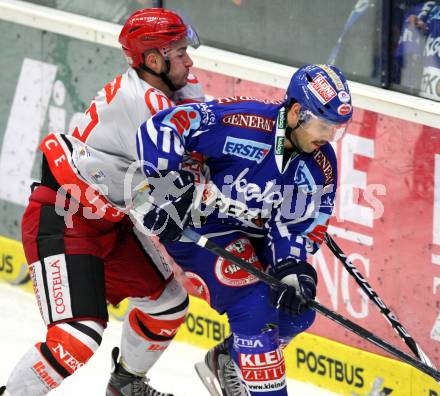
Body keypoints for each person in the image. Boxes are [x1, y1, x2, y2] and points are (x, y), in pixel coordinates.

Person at [0, 8, 204, 396]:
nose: (189, 60)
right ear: (153, 60)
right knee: (77, 335)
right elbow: (164, 197)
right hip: (64, 218)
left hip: (108, 218)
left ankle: (126, 385)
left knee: (168, 303)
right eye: (179, 52)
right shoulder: (144, 108)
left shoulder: (176, 89)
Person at [133, 64, 353, 395]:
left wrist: (293, 269)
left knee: (297, 312)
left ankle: (229, 360)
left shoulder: (320, 163)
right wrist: (165, 188)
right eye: (323, 125)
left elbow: (297, 224)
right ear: (295, 112)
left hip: (253, 233)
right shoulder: (242, 122)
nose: (328, 137)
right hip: (198, 223)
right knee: (255, 304)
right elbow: (161, 127)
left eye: (336, 129)